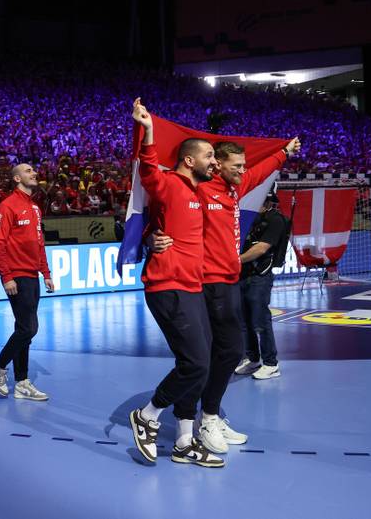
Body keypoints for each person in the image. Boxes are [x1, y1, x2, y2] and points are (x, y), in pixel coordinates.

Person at [125, 98, 224, 469]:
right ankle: (148, 415)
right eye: (209, 156)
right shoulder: (167, 184)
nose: (214, 162)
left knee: (203, 361)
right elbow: (147, 169)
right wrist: (149, 129)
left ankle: (184, 441)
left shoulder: (198, 193)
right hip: (168, 287)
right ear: (188, 160)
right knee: (196, 363)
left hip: (192, 287)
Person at [195, 137, 299, 454]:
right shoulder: (199, 187)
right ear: (218, 164)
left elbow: (262, 170)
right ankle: (197, 421)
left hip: (229, 280)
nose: (243, 170)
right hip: (205, 282)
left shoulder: (235, 188)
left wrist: (283, 152)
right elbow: (165, 199)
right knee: (206, 355)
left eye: (244, 165)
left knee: (231, 350)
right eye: (236, 165)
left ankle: (210, 414)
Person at [0, 163, 54, 402]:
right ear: (16, 178)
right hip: (17, 276)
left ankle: (22, 381)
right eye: (28, 171)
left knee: (23, 329)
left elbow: (39, 242)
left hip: (32, 276)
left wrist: (46, 273)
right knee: (29, 328)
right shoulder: (7, 206)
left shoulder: (34, 207)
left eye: (34, 171)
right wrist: (6, 276)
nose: (34, 173)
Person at [235, 191, 288, 380]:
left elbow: (262, 248)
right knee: (244, 320)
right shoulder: (247, 219)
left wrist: (235, 260)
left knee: (260, 320)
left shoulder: (276, 220)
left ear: (266, 201)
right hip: (242, 275)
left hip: (260, 276)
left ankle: (271, 363)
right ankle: (253, 358)